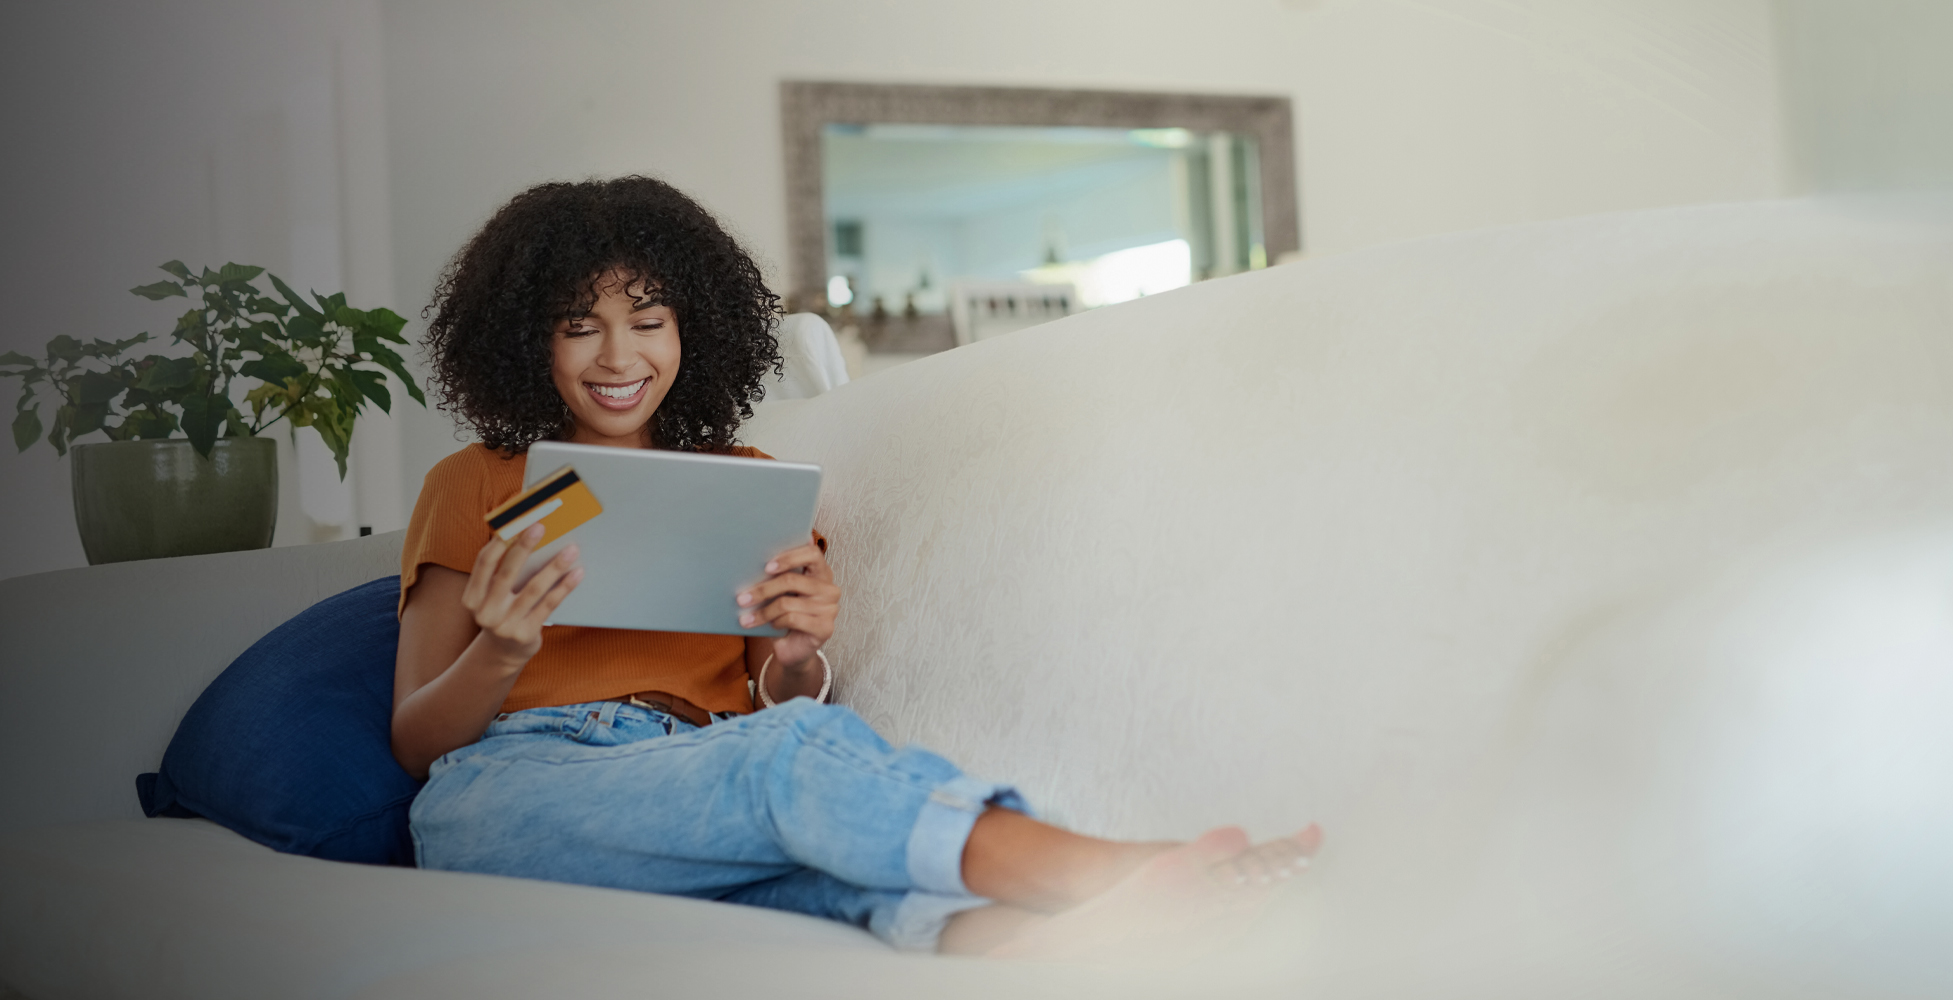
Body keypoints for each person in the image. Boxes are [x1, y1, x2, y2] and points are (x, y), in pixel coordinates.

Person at [391, 175, 1318, 958]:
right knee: (788, 768)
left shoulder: (747, 487)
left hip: (703, 773)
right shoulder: (475, 483)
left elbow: (778, 706)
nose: (620, 356)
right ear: (525, 340)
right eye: (578, 326)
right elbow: (417, 743)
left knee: (853, 880)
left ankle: (1118, 946)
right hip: (515, 791)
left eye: (649, 321)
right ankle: (1113, 866)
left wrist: (797, 650)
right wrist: (501, 655)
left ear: (692, 330)